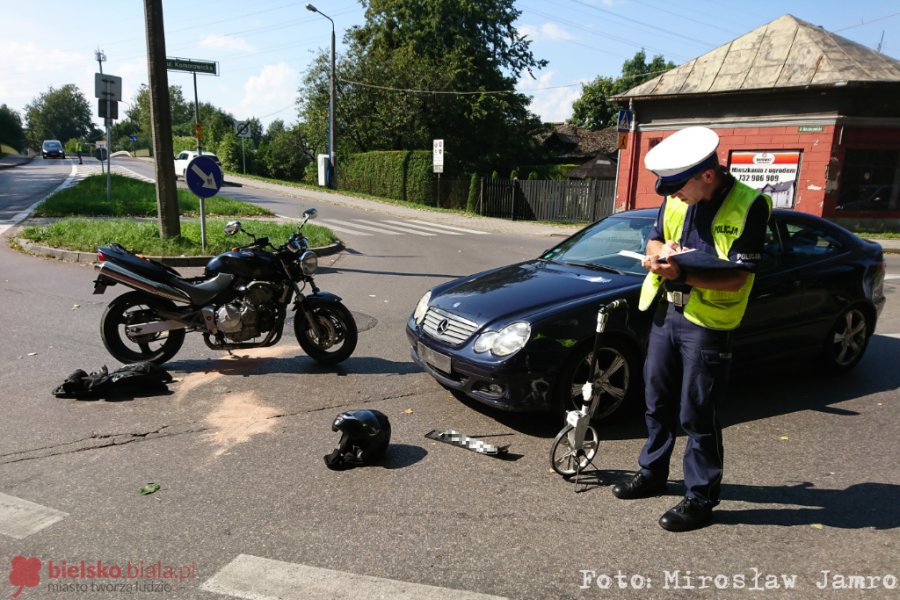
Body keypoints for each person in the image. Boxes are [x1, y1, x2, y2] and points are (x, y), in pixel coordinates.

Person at [612, 126, 771, 532]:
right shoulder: (676, 199)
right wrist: (659, 256)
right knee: (656, 400)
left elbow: (738, 278)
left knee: (698, 412)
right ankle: (653, 473)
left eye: (679, 187)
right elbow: (653, 240)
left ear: (707, 175)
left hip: (708, 324)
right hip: (667, 313)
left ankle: (700, 497)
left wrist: (682, 271)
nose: (673, 196)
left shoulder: (750, 205)